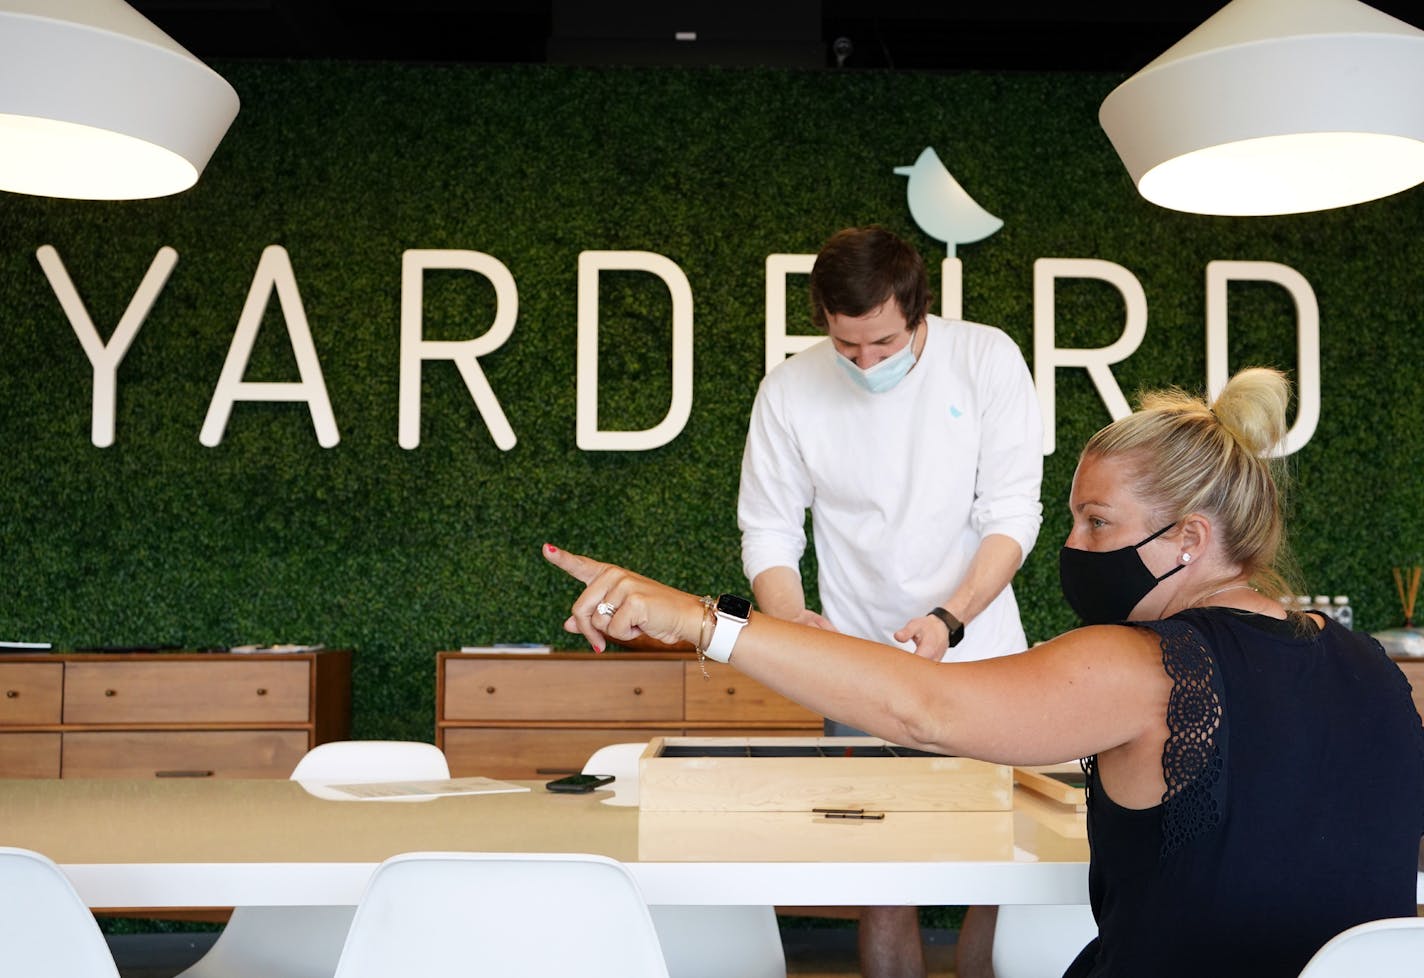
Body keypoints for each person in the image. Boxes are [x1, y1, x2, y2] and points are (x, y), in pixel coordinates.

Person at [544, 366, 1424, 978]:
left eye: (1096, 524)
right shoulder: (1379, 672)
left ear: (1188, 540)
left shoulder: (1146, 664)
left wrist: (697, 620)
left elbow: (923, 708)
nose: (1072, 550)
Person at [737, 225, 1042, 977]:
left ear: (917, 310)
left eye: (883, 343)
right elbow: (769, 528)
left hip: (983, 651)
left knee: (1000, 869)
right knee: (883, 875)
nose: (866, 362)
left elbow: (1012, 514)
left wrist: (949, 618)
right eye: (848, 348)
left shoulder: (986, 359)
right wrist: (789, 619)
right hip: (857, 665)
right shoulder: (788, 390)